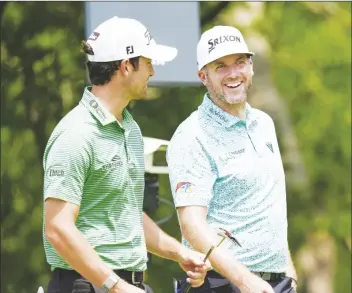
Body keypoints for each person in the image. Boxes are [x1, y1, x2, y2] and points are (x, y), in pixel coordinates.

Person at [43, 16, 209, 293]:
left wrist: (179, 253)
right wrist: (115, 286)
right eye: (148, 63)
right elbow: (57, 228)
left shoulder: (130, 130)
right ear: (126, 67)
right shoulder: (75, 134)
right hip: (86, 285)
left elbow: (128, 215)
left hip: (123, 284)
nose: (153, 72)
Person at [166, 25, 298, 293]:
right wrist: (244, 279)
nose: (233, 73)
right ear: (203, 76)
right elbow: (192, 225)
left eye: (240, 62)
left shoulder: (263, 123)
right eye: (220, 66)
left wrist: (288, 268)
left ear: (251, 67)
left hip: (276, 281)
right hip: (221, 283)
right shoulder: (192, 135)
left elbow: (268, 203)